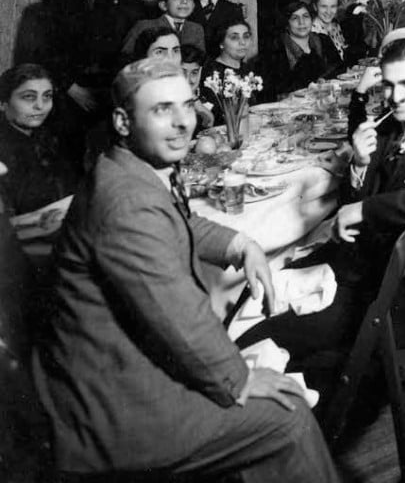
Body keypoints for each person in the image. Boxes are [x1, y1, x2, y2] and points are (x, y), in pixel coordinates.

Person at [32, 59, 339, 481]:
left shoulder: (130, 167)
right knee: (288, 415)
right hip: (115, 406)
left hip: (126, 370)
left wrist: (239, 243)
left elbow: (181, 221)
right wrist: (238, 380)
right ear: (122, 121)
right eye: (161, 110)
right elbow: (178, 317)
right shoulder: (126, 202)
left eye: (187, 105)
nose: (182, 123)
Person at [243, 35, 405, 358]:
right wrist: (360, 166)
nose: (396, 96)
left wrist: (365, 209)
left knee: (254, 333)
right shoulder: (389, 126)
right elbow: (349, 205)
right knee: (256, 289)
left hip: (390, 297)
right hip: (359, 266)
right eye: (389, 85)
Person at [30, 0, 144, 157]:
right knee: (74, 161)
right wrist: (72, 89)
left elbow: (136, 49)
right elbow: (45, 53)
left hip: (115, 94)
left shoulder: (126, 0)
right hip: (71, 98)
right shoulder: (52, 5)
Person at [0, 64, 79, 215]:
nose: (40, 106)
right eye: (29, 97)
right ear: (3, 103)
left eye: (47, 96)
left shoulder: (48, 138)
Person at [260, 2, 342, 100]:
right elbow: (270, 91)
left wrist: (324, 80)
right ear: (286, 23)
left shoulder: (323, 40)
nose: (301, 22)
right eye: (295, 18)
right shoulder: (275, 49)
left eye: (306, 16)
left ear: (312, 20)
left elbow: (339, 68)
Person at [121, 0, 204, 62]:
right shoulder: (144, 26)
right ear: (163, 5)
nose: (184, 1)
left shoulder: (196, 29)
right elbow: (126, 57)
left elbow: (200, 61)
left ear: (193, 6)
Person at [201, 21, 256, 124]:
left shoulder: (248, 69)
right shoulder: (212, 74)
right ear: (221, 43)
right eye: (234, 38)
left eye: (246, 36)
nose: (242, 42)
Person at [309, 0, 365, 68]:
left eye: (333, 6)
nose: (328, 12)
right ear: (315, 7)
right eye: (324, 6)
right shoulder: (311, 32)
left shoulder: (336, 25)